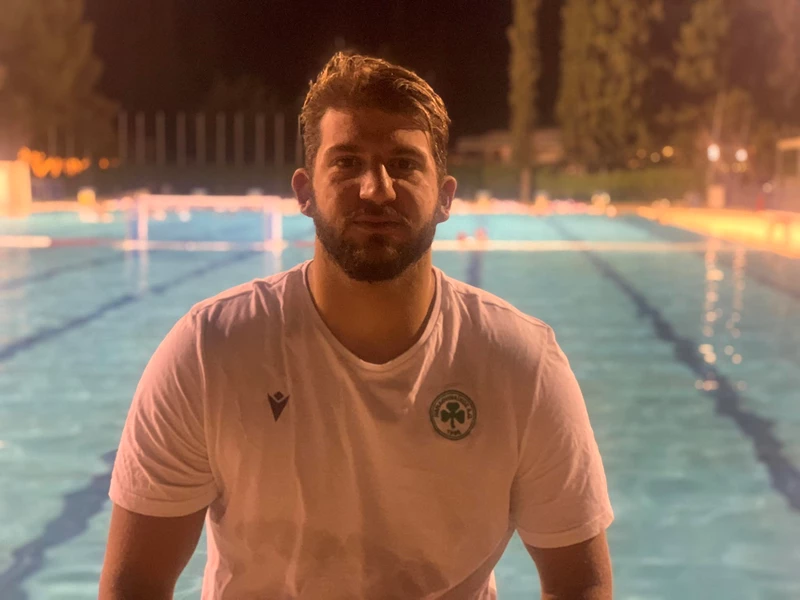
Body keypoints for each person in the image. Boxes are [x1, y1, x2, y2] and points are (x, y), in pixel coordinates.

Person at [100, 53, 614, 600]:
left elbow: (578, 582)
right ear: (304, 192)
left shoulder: (521, 362)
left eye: (404, 164)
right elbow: (137, 583)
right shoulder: (210, 351)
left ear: (445, 198)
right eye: (346, 163)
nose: (376, 189)